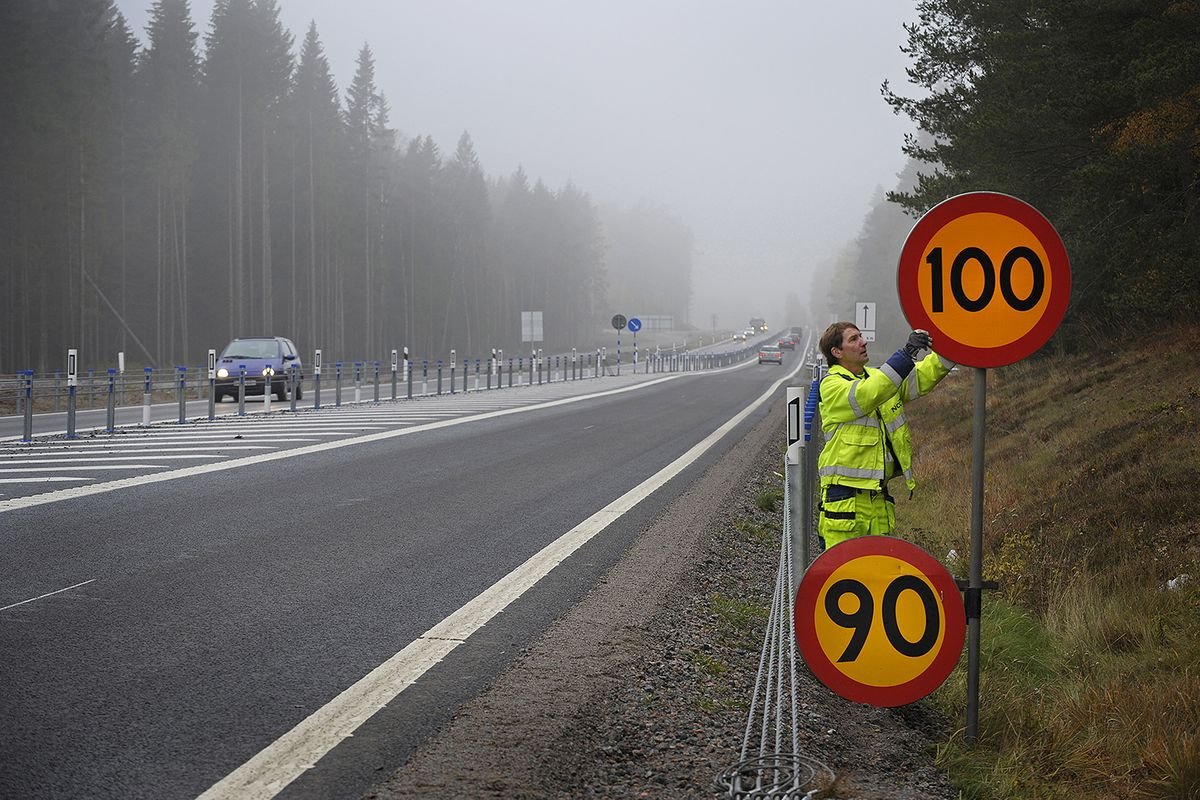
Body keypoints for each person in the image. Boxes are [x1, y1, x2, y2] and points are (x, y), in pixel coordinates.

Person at [815, 322, 955, 549]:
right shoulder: (832, 385)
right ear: (836, 352)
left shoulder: (878, 378)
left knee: (878, 577)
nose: (863, 342)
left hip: (879, 497)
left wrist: (953, 347)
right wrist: (906, 354)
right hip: (844, 500)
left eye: (861, 336)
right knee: (842, 577)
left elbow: (920, 379)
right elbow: (869, 394)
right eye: (854, 339)